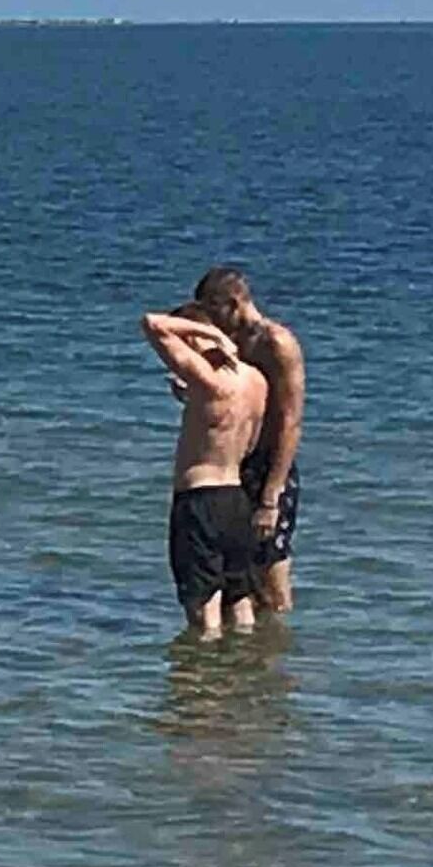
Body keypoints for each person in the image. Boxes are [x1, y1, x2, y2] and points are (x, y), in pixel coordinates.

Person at [139, 304, 268, 639]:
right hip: (236, 498)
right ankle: (244, 672)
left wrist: (209, 333)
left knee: (203, 610)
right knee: (240, 600)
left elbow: (152, 324)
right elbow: (245, 440)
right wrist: (193, 403)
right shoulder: (256, 381)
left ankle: (203, 685)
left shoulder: (210, 382)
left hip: (200, 501)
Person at [191, 265, 305, 613]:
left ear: (235, 302)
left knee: (271, 572)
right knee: (236, 577)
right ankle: (242, 660)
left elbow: (290, 421)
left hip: (271, 466)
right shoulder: (230, 342)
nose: (210, 320)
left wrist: (272, 495)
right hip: (235, 466)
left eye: (214, 309)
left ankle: (278, 656)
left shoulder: (277, 343)